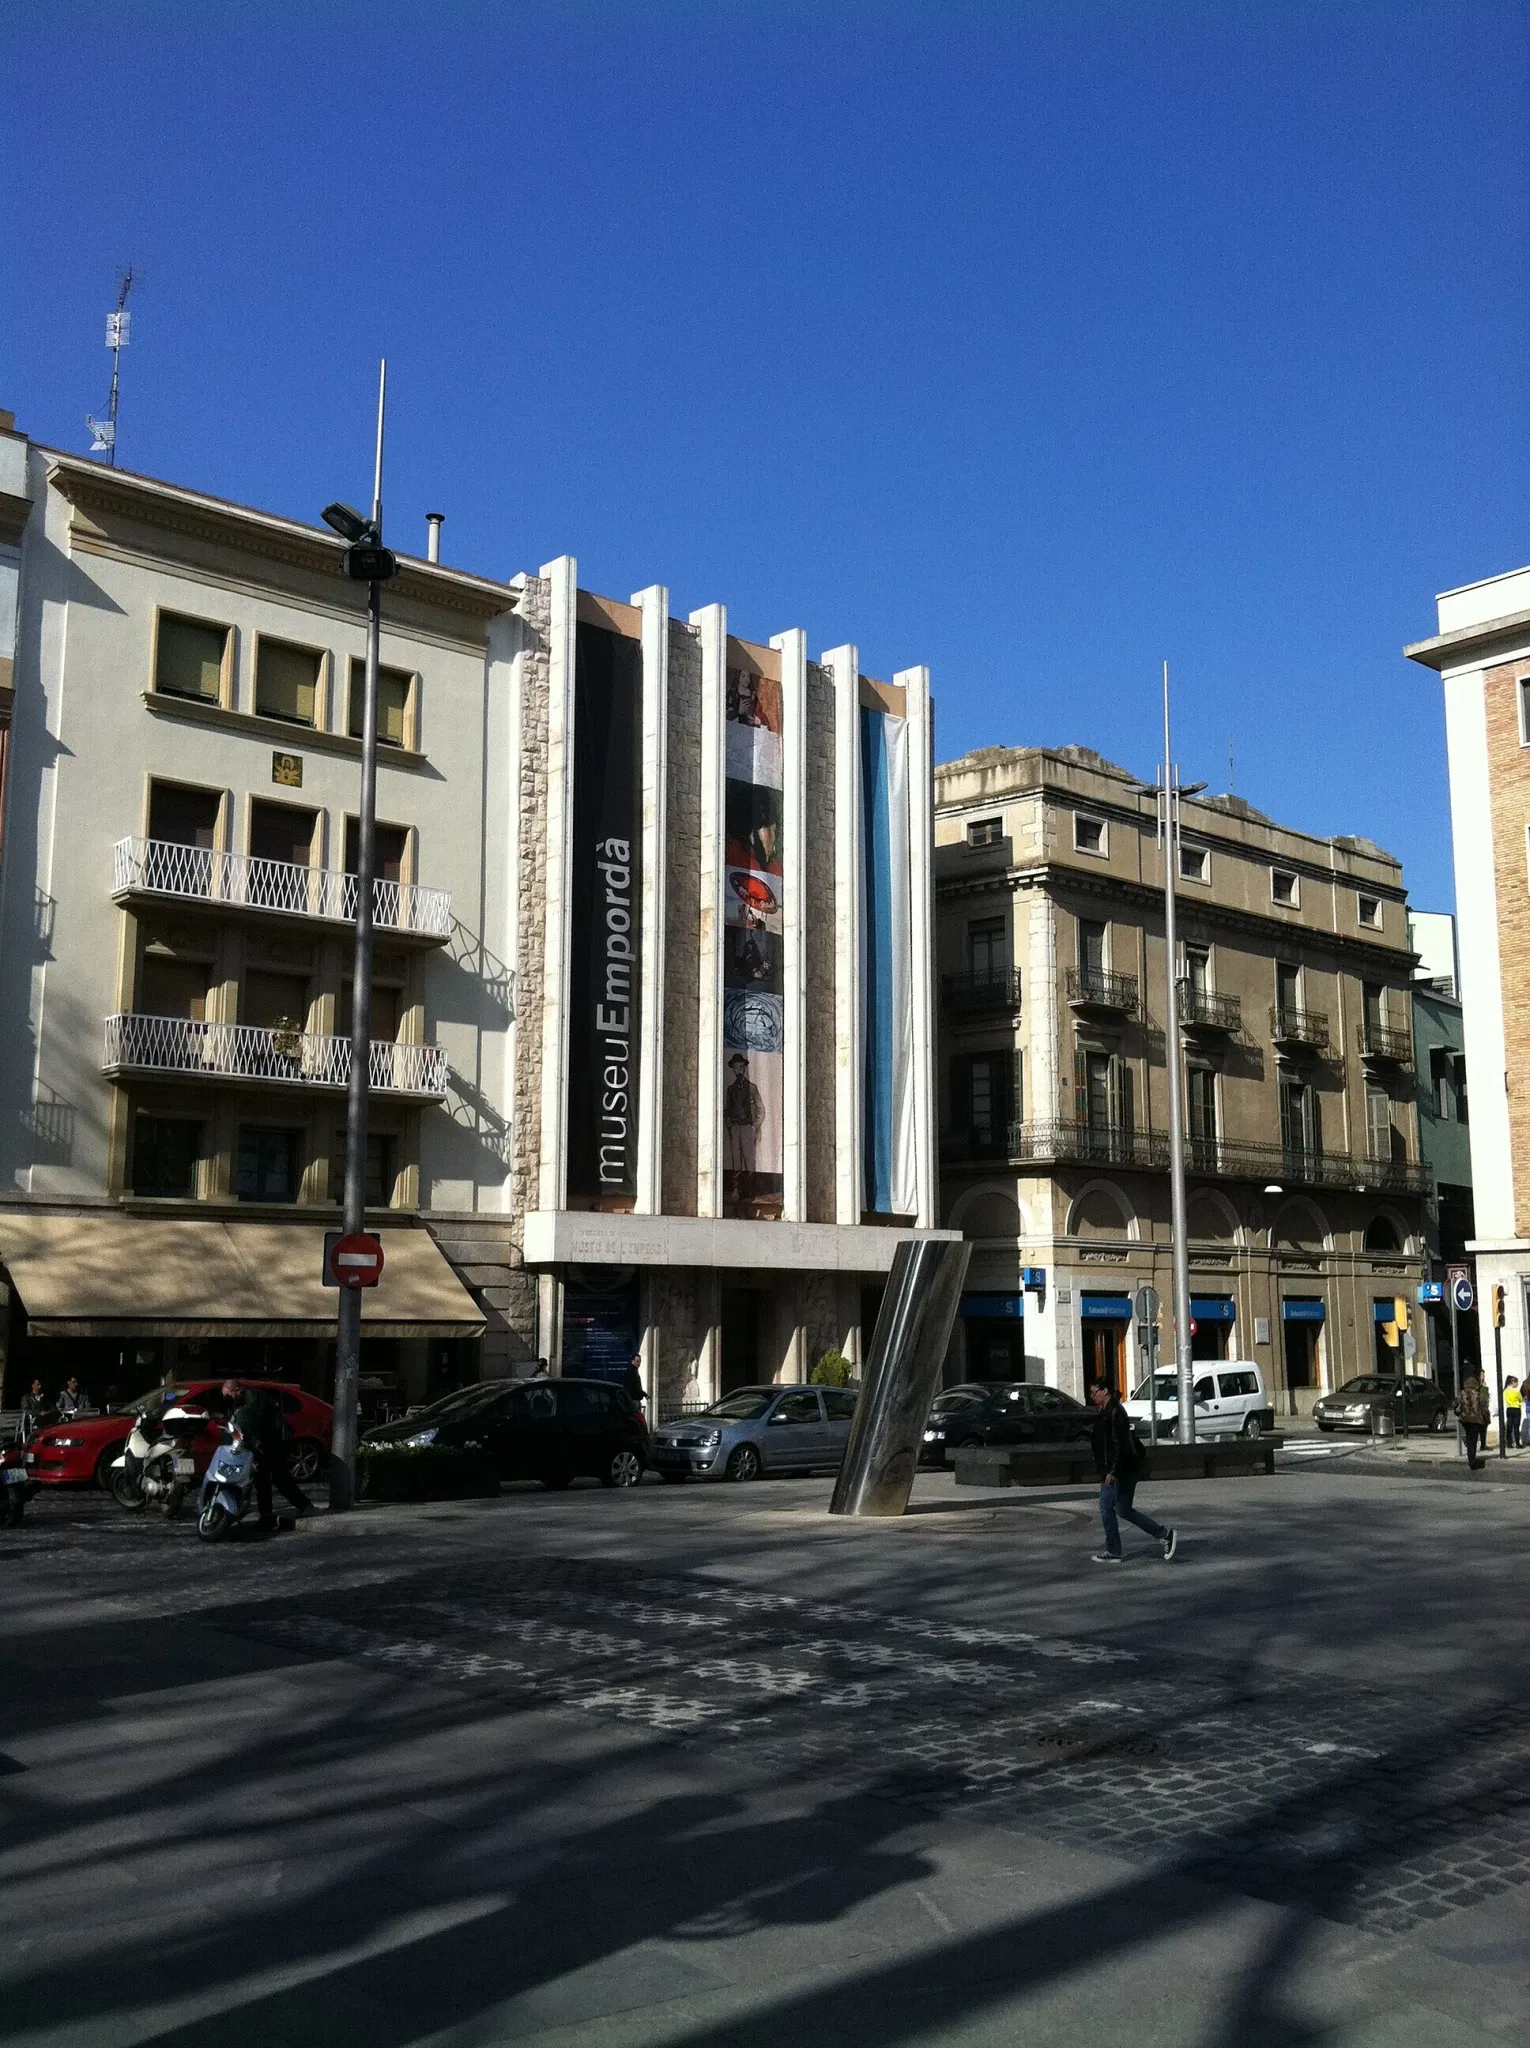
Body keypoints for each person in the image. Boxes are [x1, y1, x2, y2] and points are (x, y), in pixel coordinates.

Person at [1090, 1379, 1176, 1564]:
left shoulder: (1115, 1412)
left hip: (1122, 1470)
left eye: (1094, 1392)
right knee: (1123, 1510)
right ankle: (1165, 1534)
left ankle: (1114, 1551)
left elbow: (1119, 1445)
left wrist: (1112, 1471)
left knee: (1107, 1507)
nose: (1092, 1396)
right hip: (1119, 1469)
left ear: (1105, 1391)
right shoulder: (1105, 1411)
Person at [225, 1379, 313, 1528]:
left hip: (274, 1441)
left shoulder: (253, 1398)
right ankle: (266, 1516)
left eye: (229, 1394)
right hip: (264, 1443)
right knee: (262, 1479)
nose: (227, 1398)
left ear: (238, 1390)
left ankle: (304, 1506)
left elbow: (251, 1422)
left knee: (279, 1477)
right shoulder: (242, 1402)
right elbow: (239, 1423)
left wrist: (252, 1441)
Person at [1453, 1371, 1491, 1470]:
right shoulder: (1478, 1395)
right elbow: (1484, 1408)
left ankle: (1471, 1459)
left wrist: (1457, 1412)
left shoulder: (1462, 1393)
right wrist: (1486, 1419)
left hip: (1465, 1419)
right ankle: (1472, 1461)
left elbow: (1454, 1404)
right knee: (1473, 1441)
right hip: (1476, 1420)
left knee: (1470, 1439)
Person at [1504, 1375, 1522, 1451]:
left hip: (1509, 1409)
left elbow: (1506, 1399)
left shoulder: (1505, 1391)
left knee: (1509, 1427)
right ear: (1513, 1382)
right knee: (1516, 1427)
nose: (1517, 1384)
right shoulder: (1516, 1391)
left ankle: (1509, 1443)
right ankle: (1517, 1443)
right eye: (1516, 1382)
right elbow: (1520, 1399)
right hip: (1516, 1409)